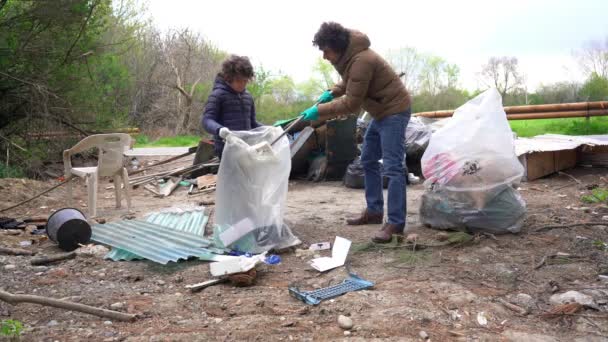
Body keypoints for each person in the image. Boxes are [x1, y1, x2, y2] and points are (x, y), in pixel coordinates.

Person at [302, 22, 412, 243]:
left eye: (326, 50)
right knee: (368, 159)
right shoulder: (350, 57)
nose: (324, 56)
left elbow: (352, 104)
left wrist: (319, 111)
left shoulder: (363, 60)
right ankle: (374, 211)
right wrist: (331, 93)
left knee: (392, 166)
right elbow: (349, 82)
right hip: (380, 112)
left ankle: (396, 223)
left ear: (337, 46)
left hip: (394, 111)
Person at [202, 55, 262, 158]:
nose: (242, 84)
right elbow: (207, 120)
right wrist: (220, 130)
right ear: (229, 77)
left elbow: (252, 123)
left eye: (245, 81)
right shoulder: (217, 95)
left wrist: (266, 129)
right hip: (226, 149)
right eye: (239, 81)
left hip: (246, 146)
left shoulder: (248, 97)